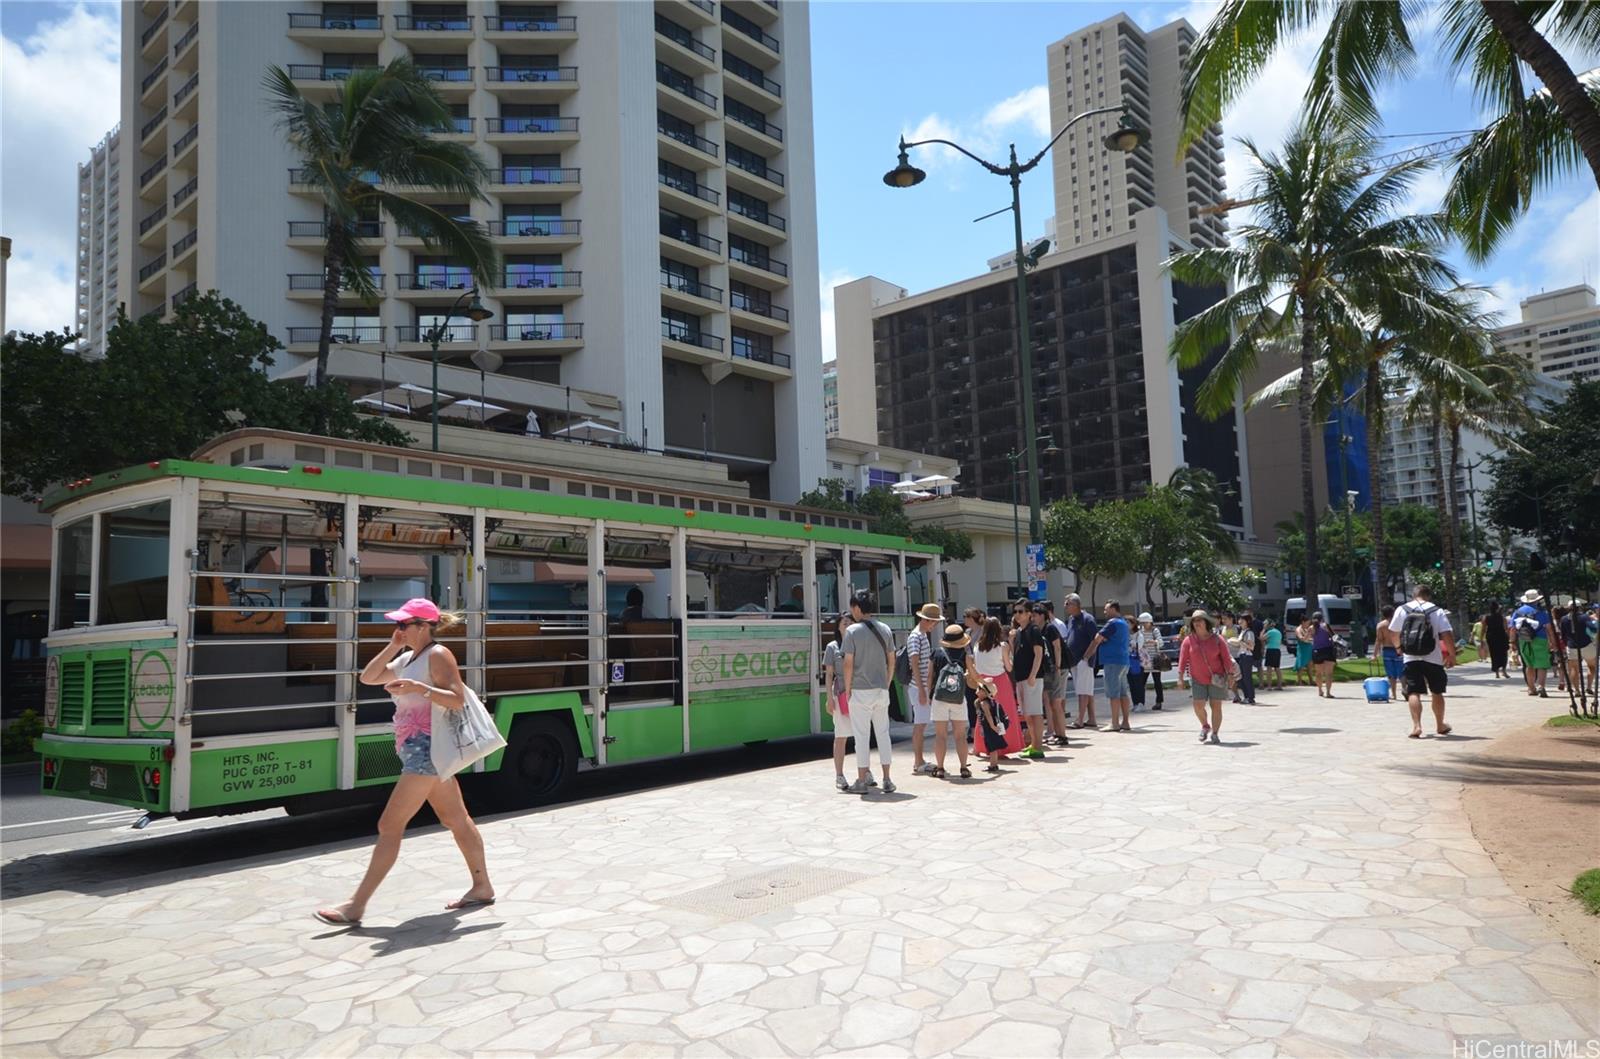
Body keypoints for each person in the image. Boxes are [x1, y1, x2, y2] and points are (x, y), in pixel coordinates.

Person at [316, 599, 494, 926]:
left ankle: (356, 906)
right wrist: (391, 646)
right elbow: (368, 677)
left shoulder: (438, 655)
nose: (398, 629)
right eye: (397, 625)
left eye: (403, 625)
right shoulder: (409, 657)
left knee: (389, 825)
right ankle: (482, 886)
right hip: (416, 749)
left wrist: (419, 688)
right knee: (456, 818)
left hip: (427, 751)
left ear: (423, 626)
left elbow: (455, 699)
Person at [841, 590, 897, 794]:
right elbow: (892, 660)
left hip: (860, 690)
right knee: (883, 734)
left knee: (862, 737)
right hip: (881, 690)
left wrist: (848, 689)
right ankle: (888, 779)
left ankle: (862, 780)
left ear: (857, 607)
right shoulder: (886, 629)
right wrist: (887, 682)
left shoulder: (852, 631)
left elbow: (848, 664)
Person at [1388, 584, 1456, 738]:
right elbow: (1446, 634)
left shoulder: (1402, 609)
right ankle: (1440, 724)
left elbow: (1392, 631)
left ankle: (1417, 726)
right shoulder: (1436, 610)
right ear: (1428, 596)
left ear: (1414, 595)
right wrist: (1452, 654)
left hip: (1410, 657)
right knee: (1437, 692)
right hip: (1433, 657)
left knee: (1413, 692)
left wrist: (1399, 647)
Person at [1177, 609, 1236, 745]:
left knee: (1216, 706)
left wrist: (1231, 674)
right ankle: (1205, 725)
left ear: (1206, 622)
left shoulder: (1217, 639)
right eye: (1194, 621)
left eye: (1199, 620)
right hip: (1197, 678)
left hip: (1217, 678)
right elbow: (1182, 660)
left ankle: (1215, 733)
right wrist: (1180, 678)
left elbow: (1226, 658)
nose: (1197, 623)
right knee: (1198, 705)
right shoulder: (1188, 641)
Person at [972, 616, 1023, 760]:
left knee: (982, 715)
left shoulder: (977, 646)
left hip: (982, 682)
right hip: (1000, 682)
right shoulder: (1003, 646)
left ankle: (979, 746)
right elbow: (1009, 667)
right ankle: (1002, 748)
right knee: (1002, 715)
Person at [929, 624, 973, 778]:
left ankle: (940, 768)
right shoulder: (965, 654)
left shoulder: (936, 653)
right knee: (960, 735)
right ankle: (963, 768)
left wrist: (929, 694)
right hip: (958, 697)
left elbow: (930, 676)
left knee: (940, 735)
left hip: (940, 696)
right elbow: (972, 676)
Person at [821, 613, 857, 791]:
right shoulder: (832, 647)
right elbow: (828, 674)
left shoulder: (858, 645)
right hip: (840, 694)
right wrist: (829, 698)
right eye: (844, 623)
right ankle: (839, 775)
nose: (847, 626)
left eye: (850, 623)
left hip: (858, 694)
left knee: (861, 735)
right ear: (838, 627)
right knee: (841, 736)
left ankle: (864, 772)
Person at [1085, 600, 1133, 731]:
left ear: (1113, 608)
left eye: (1106, 609)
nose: (1104, 612)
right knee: (1123, 693)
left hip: (1112, 662)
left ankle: (1114, 723)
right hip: (1123, 661)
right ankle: (1125, 722)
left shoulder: (1112, 623)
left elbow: (1097, 638)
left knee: (1113, 694)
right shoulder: (1123, 623)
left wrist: (1087, 655)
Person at [906, 603, 943, 774]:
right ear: (926, 620)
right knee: (920, 725)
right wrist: (922, 690)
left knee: (920, 724)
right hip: (917, 686)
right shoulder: (916, 637)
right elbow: (914, 662)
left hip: (918, 686)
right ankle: (918, 761)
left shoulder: (920, 635)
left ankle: (919, 760)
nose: (934, 625)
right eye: (933, 622)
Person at [1012, 604, 1049, 759]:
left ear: (1029, 614)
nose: (1017, 615)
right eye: (1015, 612)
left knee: (1035, 712)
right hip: (1021, 677)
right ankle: (1033, 744)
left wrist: (1033, 675)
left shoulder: (1033, 630)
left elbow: (1038, 654)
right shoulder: (1019, 632)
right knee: (1027, 713)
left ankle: (1038, 746)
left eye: (1020, 612)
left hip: (1031, 677)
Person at [1062, 593, 1099, 729]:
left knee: (1083, 691)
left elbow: (1095, 640)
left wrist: (1086, 657)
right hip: (1074, 660)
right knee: (1086, 690)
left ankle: (1080, 719)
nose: (1065, 606)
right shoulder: (1071, 619)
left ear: (1076, 605)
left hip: (1084, 660)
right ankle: (1092, 718)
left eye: (1067, 604)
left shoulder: (1088, 619)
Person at [1512, 589, 1552, 698]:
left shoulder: (1518, 612)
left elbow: (1513, 628)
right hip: (1541, 639)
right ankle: (1541, 686)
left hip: (1524, 640)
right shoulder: (1542, 613)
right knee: (1542, 665)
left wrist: (1512, 642)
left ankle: (1531, 688)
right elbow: (1549, 629)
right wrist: (1552, 642)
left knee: (1529, 665)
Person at [1042, 601, 1070, 746]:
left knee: (1056, 702)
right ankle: (1058, 734)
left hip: (1059, 668)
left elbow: (1057, 647)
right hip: (1051, 669)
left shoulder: (1052, 628)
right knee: (1053, 702)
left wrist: (1057, 667)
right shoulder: (1041, 629)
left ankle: (1062, 735)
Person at [973, 678, 1007, 773]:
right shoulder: (990, 702)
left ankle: (993, 765)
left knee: (992, 748)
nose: (977, 691)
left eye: (980, 689)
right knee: (992, 747)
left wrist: (992, 726)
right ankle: (994, 764)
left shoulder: (984, 703)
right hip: (990, 728)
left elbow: (988, 715)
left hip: (990, 728)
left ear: (985, 692)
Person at [1132, 612, 1165, 710]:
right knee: (1141, 682)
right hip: (1144, 660)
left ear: (1150, 622)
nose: (1144, 625)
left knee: (1157, 682)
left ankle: (1159, 702)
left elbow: (1161, 642)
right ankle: (1140, 702)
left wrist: (1154, 642)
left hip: (1154, 660)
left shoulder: (1155, 631)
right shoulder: (1140, 631)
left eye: (1145, 623)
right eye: (1142, 623)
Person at [1310, 611, 1337, 697]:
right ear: (1322, 618)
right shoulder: (1325, 625)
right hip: (1328, 650)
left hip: (1317, 651)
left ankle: (1320, 690)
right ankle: (1328, 692)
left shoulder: (1311, 628)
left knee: (1318, 673)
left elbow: (1306, 638)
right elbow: (1334, 636)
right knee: (1328, 673)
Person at [1379, 618, 1405, 702]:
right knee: (1401, 672)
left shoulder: (1381, 625)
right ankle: (1405, 689)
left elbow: (1379, 639)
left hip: (1387, 649)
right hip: (1398, 648)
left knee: (1391, 674)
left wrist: (1375, 653)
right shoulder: (1399, 623)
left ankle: (1393, 694)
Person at [1482, 601, 1510, 678]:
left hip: (1491, 637)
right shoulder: (1502, 617)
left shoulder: (1486, 617)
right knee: (1503, 654)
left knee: (1494, 654)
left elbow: (1483, 629)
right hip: (1501, 636)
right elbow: (1506, 628)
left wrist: (1481, 638)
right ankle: (1504, 671)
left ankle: (1497, 672)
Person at [1294, 614, 1316, 687]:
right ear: (1303, 622)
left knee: (1310, 664)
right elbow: (1301, 639)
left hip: (1308, 647)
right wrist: (1308, 635)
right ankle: (1299, 681)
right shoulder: (1298, 629)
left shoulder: (1307, 629)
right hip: (1302, 648)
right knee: (1301, 665)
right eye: (1307, 622)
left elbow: (1311, 638)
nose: (1308, 624)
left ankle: (1311, 680)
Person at [1262, 619, 1284, 691]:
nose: (1264, 625)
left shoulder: (1270, 632)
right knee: (1277, 668)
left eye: (1265, 624)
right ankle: (1279, 685)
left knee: (1269, 668)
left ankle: (1269, 686)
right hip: (1277, 650)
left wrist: (1263, 630)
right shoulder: (1278, 632)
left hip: (1271, 650)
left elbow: (1261, 638)